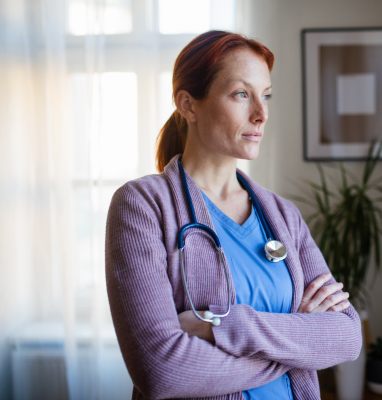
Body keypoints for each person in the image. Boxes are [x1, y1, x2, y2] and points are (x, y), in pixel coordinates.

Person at [105, 30, 362, 400]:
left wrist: (224, 326)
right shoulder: (143, 205)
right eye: (242, 94)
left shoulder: (282, 215)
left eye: (266, 96)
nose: (261, 114)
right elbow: (161, 371)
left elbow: (347, 336)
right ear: (189, 105)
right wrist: (298, 344)